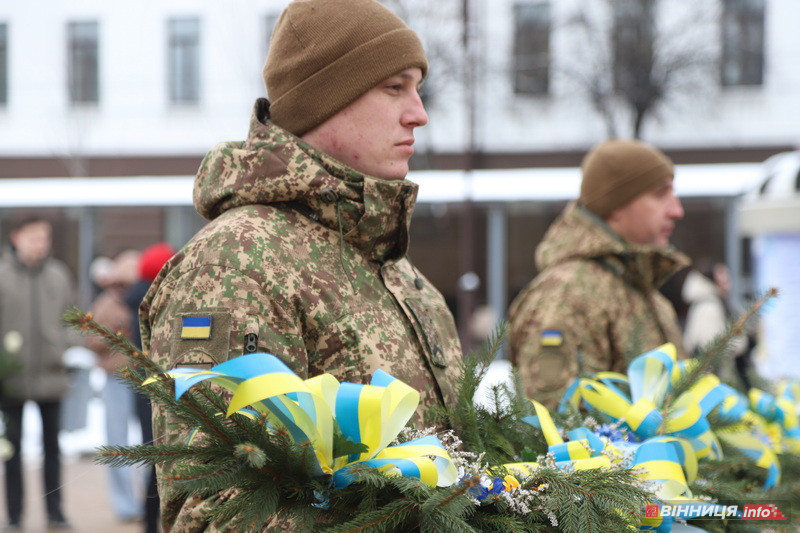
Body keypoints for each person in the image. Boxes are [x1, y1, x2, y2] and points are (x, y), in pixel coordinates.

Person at [139, 0, 462, 530]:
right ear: (325, 100)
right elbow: (218, 513)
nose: (419, 113)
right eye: (394, 87)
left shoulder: (400, 272)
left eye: (418, 87)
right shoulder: (235, 263)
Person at [508, 139, 691, 409]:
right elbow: (550, 422)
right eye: (660, 194)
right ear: (615, 206)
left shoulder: (641, 290)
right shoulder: (566, 294)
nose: (677, 211)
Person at [0, 215, 74, 530]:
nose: (41, 244)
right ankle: (15, 515)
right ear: (17, 237)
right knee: (11, 450)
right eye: (34, 237)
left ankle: (55, 512)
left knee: (52, 451)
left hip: (52, 376)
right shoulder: (2, 277)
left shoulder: (59, 276)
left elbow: (73, 319)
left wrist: (67, 346)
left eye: (45, 237)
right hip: (11, 380)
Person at [85, 249, 144, 524]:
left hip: (144, 379)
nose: (126, 290)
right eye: (121, 284)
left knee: (151, 442)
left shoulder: (147, 301)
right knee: (116, 442)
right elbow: (91, 343)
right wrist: (117, 334)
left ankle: (150, 500)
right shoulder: (105, 304)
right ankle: (125, 505)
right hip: (115, 379)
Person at [125, 242, 174, 533]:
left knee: (154, 458)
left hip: (144, 390)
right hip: (156, 390)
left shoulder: (135, 299)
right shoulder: (156, 302)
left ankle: (149, 522)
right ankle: (154, 522)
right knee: (162, 458)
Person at [682, 261, 754, 390]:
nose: (728, 284)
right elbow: (712, 345)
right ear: (712, 279)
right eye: (724, 279)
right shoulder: (709, 306)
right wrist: (740, 339)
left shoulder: (705, 302)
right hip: (712, 379)